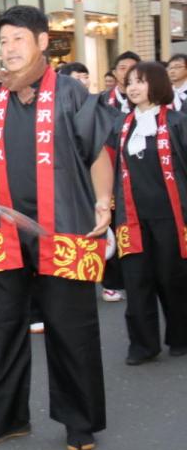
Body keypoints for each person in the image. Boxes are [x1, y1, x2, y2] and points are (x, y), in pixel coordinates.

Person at [0, 5, 112, 450]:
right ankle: (8, 419)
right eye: (3, 40)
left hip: (63, 227)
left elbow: (98, 152)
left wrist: (104, 200)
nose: (8, 49)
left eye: (18, 39)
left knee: (70, 327)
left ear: (43, 42)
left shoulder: (70, 93)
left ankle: (79, 422)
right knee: (6, 327)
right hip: (7, 231)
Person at [108, 62, 187, 365]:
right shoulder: (120, 125)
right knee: (136, 280)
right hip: (131, 217)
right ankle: (142, 344)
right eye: (129, 82)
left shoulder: (178, 122)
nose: (133, 87)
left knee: (173, 278)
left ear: (156, 84)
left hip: (171, 216)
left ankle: (180, 335)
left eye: (140, 81)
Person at [98, 52, 139, 303]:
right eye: (122, 68)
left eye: (133, 69)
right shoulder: (103, 102)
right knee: (110, 228)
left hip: (139, 179)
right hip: (109, 177)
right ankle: (111, 282)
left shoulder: (152, 102)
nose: (126, 73)